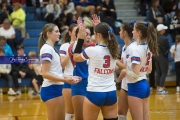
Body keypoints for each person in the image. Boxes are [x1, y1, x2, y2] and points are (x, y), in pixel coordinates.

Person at [73, 15, 119, 120]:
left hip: (95, 93)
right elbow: (102, 42)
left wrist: (80, 37)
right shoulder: (114, 50)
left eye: (94, 33)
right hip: (111, 93)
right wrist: (98, 27)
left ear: (98, 35)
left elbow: (76, 57)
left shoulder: (92, 50)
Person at [38, 23, 81, 120]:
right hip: (51, 90)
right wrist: (66, 80)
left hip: (56, 88)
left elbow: (55, 72)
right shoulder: (47, 49)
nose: (59, 34)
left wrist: (68, 77)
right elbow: (45, 74)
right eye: (56, 31)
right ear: (48, 34)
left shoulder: (51, 49)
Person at [118, 21, 158, 120]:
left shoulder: (134, 49)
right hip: (145, 85)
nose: (132, 32)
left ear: (138, 33)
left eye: (134, 30)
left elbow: (135, 75)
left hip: (135, 87)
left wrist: (125, 71)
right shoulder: (148, 47)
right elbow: (149, 70)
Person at [68, 24, 91, 120]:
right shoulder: (73, 48)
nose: (88, 37)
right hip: (79, 84)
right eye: (85, 34)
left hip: (91, 85)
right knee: (79, 117)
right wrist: (79, 36)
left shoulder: (91, 49)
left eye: (89, 34)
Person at [117, 22, 136, 120]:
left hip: (133, 83)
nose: (119, 32)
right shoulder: (124, 47)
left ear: (124, 33)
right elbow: (122, 64)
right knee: (120, 112)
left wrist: (114, 60)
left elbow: (126, 67)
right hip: (125, 83)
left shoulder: (132, 47)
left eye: (120, 30)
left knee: (135, 115)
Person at [59, 23, 77, 120]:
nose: (77, 34)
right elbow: (62, 65)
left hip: (82, 81)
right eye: (75, 32)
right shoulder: (64, 46)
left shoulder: (84, 46)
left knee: (80, 112)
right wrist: (69, 53)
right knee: (70, 111)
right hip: (69, 79)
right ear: (70, 33)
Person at [154, 24, 170, 94]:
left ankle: (158, 87)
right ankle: (161, 88)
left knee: (158, 72)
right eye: (164, 29)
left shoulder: (154, 38)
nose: (165, 30)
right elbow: (168, 47)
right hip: (162, 57)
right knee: (164, 72)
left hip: (155, 56)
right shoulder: (164, 38)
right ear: (162, 30)